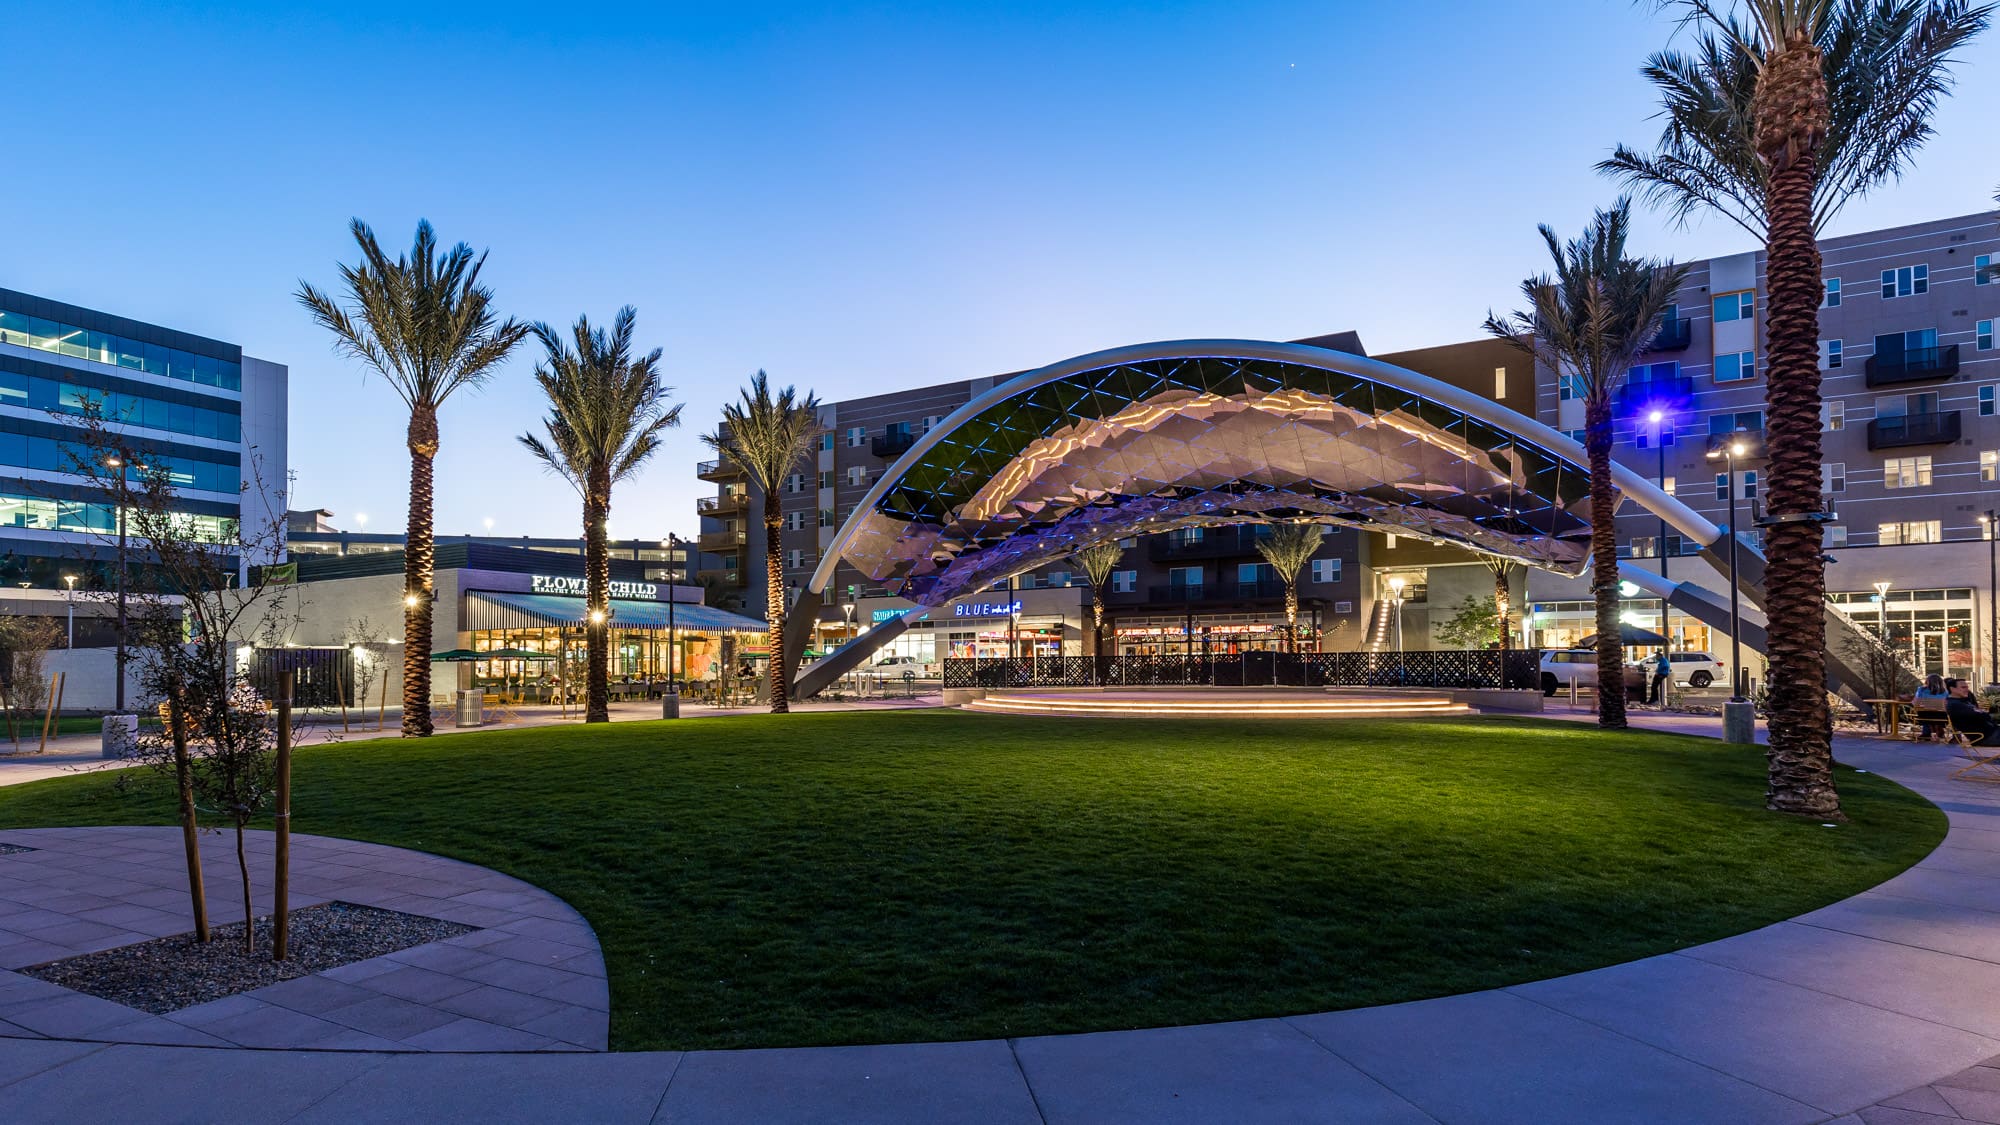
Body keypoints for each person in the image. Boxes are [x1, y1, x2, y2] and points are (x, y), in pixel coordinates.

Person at [1946, 681, 2000, 746]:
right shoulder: (1955, 705)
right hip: (1986, 737)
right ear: (1952, 689)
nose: (1967, 690)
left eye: (1967, 687)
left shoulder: (1962, 702)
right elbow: (1983, 716)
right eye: (1963, 687)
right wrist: (1986, 713)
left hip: (1992, 733)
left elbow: (1982, 715)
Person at [1913, 674, 1949, 742]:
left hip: (1924, 716)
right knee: (1936, 713)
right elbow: (1947, 704)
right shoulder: (1945, 692)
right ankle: (1936, 731)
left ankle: (1927, 733)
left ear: (1927, 681)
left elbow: (1916, 703)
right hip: (1941, 717)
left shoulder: (1921, 690)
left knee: (1926, 712)